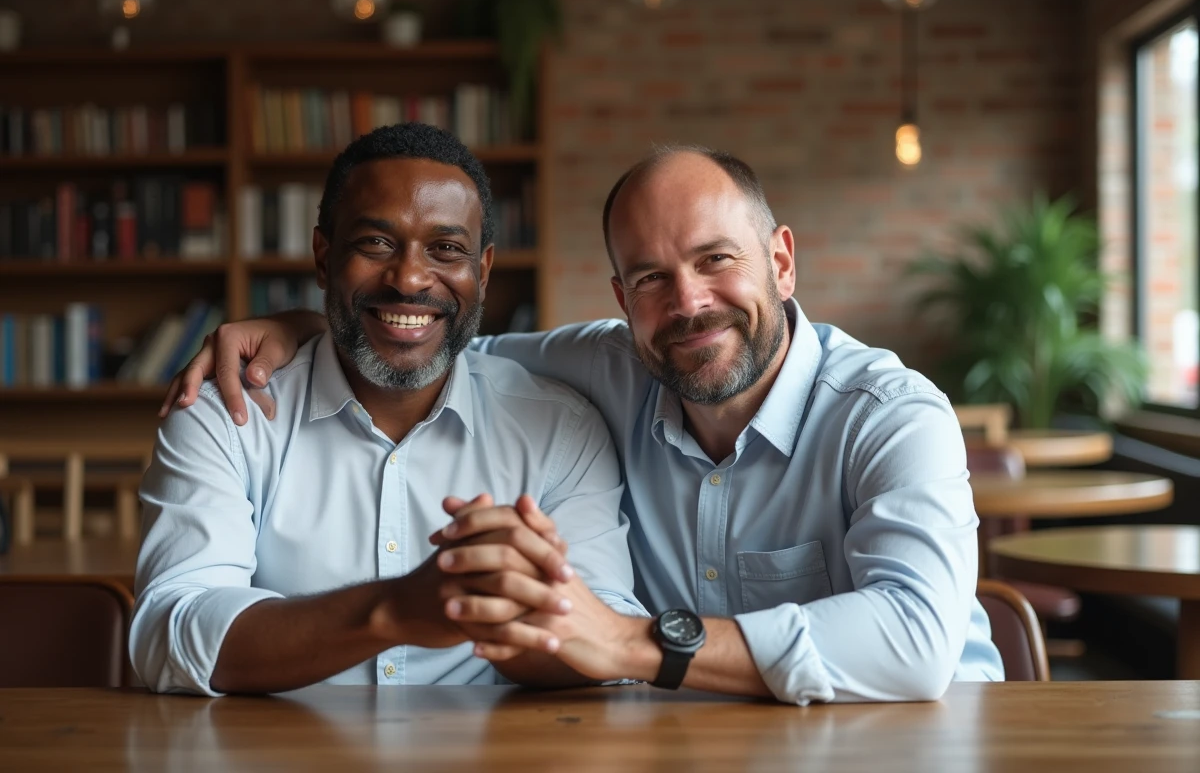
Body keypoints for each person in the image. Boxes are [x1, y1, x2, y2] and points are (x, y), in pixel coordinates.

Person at [165, 143, 1004, 704]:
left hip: (918, 738)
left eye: (717, 259)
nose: (688, 303)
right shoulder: (603, 368)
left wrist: (637, 646)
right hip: (711, 746)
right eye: (649, 277)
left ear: (781, 261)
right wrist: (307, 327)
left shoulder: (894, 417)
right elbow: (429, 330)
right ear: (619, 300)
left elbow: (916, 640)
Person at [132, 123, 646, 696]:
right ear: (324, 257)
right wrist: (393, 610)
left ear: (483, 270)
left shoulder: (562, 431)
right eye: (375, 244)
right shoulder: (222, 414)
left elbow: (611, 647)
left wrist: (507, 607)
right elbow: (169, 634)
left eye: (447, 249)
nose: (409, 279)